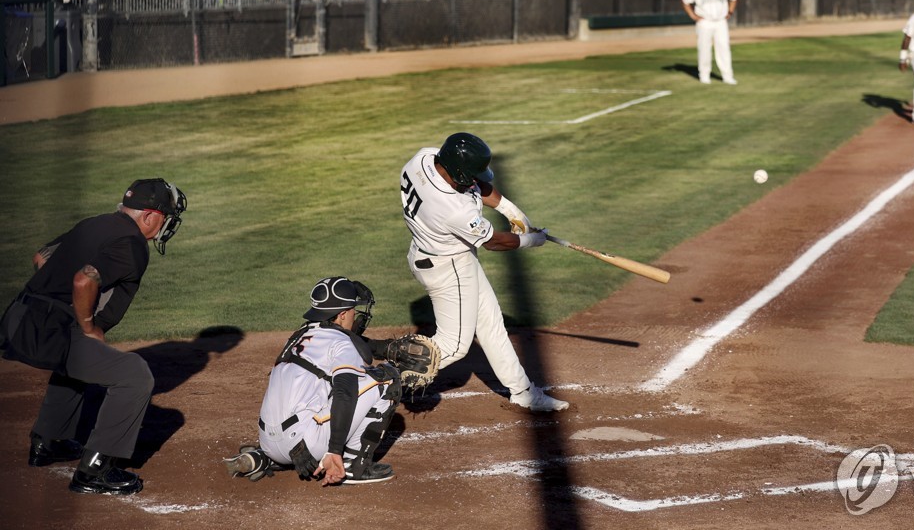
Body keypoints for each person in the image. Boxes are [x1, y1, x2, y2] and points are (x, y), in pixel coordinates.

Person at [0, 179, 187, 495]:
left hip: (19, 318)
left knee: (78, 358)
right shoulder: (132, 246)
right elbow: (85, 280)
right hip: (46, 331)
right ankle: (95, 471)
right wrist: (87, 325)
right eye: (166, 216)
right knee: (135, 375)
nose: (167, 223)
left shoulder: (96, 224)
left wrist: (56, 306)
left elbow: (42, 257)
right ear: (151, 216)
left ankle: (50, 442)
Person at [398, 132, 568, 412]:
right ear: (458, 173)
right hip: (448, 267)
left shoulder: (425, 158)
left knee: (490, 323)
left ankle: (523, 392)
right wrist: (530, 241)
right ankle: (377, 383)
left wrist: (510, 210)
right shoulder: (452, 208)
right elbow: (492, 242)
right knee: (454, 346)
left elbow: (476, 184)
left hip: (435, 252)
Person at [223, 277, 415, 486]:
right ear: (342, 315)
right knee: (386, 379)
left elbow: (357, 346)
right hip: (308, 442)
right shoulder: (342, 344)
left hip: (269, 442)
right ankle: (353, 464)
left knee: (325, 383)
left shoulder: (300, 336)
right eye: (352, 310)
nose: (355, 315)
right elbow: (345, 393)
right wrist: (334, 450)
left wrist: (384, 347)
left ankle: (265, 458)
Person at [680, 0, 738, 85]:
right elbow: (685, 0)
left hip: (720, 21)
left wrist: (730, 11)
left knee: (723, 48)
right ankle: (704, 75)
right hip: (704, 22)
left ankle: (727, 76)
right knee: (704, 48)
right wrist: (693, 16)